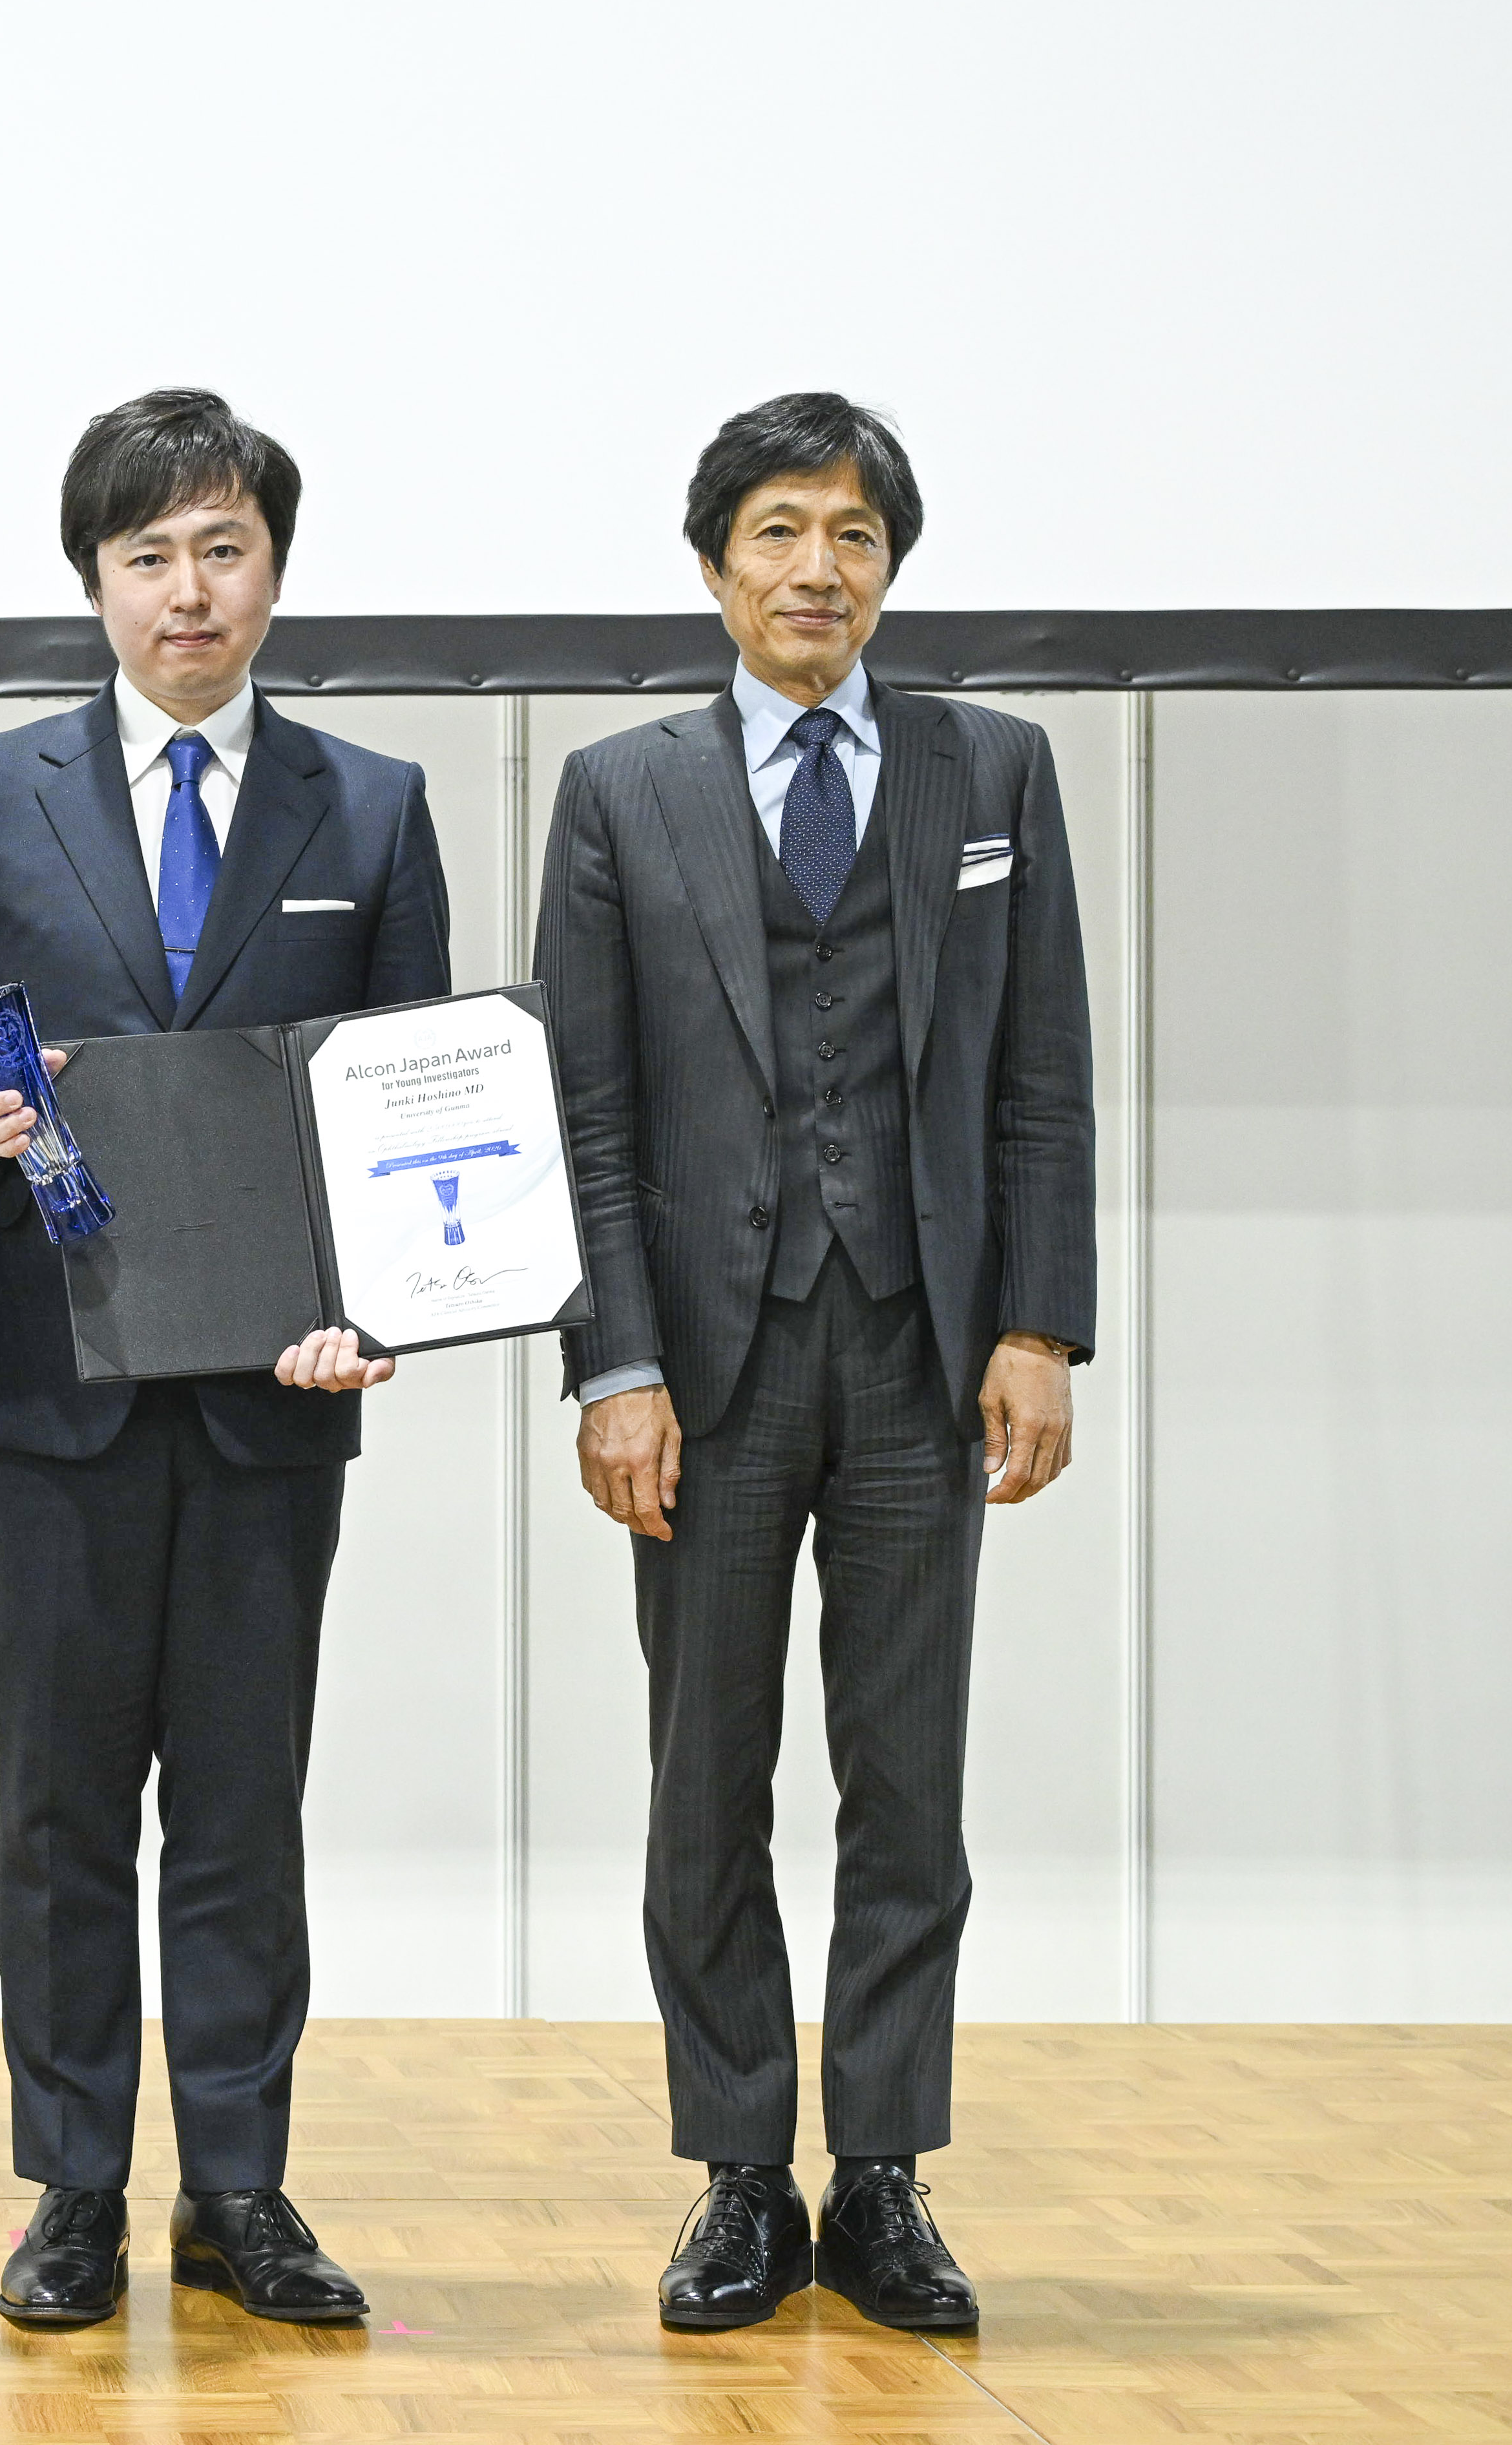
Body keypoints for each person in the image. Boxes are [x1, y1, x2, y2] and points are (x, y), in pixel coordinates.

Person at [0, 389, 451, 2330]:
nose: (187, 591)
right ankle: (73, 2190)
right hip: (47, 1387)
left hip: (278, 1392)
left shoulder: (368, 808)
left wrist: (376, 1305)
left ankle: (246, 2188)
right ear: (93, 581)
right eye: (148, 556)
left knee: (243, 1798)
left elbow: (404, 1105)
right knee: (59, 1803)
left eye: (222, 550)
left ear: (273, 569)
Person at [534, 392, 1093, 2335]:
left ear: (888, 571)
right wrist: (613, 1361)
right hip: (705, 1365)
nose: (815, 569)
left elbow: (1041, 1083)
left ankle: (887, 2176)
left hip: (927, 1358)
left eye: (852, 536)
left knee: (908, 1781)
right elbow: (584, 1113)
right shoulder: (622, 789)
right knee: (707, 1781)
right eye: (779, 530)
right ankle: (740, 2176)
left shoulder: (993, 772)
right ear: (714, 566)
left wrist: (1037, 1326)